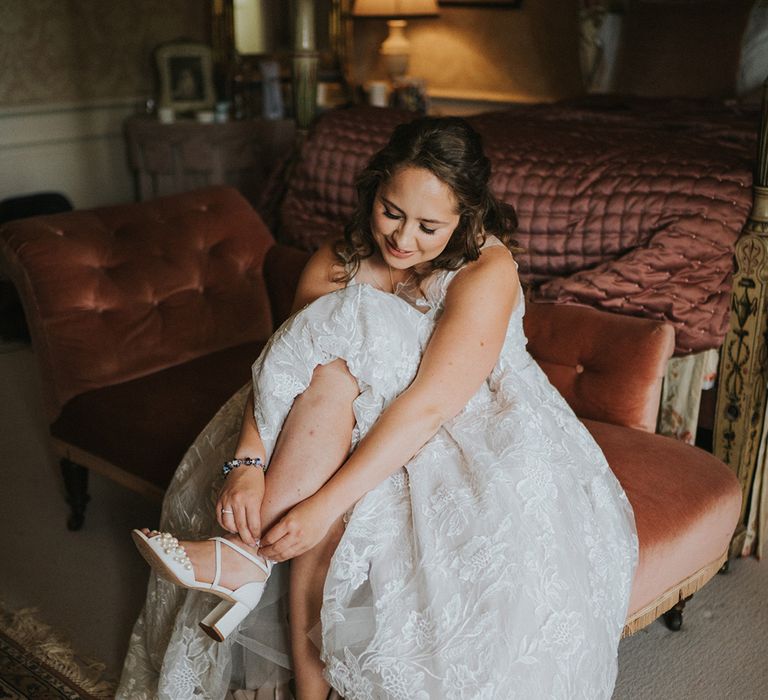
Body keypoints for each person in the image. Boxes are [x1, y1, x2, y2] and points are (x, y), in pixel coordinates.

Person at [118, 117, 637, 700]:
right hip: (329, 413)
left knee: (331, 510)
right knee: (332, 368)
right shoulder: (338, 261)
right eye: (391, 211)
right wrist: (247, 464)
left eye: (428, 226)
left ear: (467, 217)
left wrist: (322, 505)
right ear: (374, 190)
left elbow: (429, 404)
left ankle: (244, 561)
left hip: (459, 419)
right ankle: (264, 596)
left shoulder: (486, 270)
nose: (403, 240)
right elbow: (282, 370)